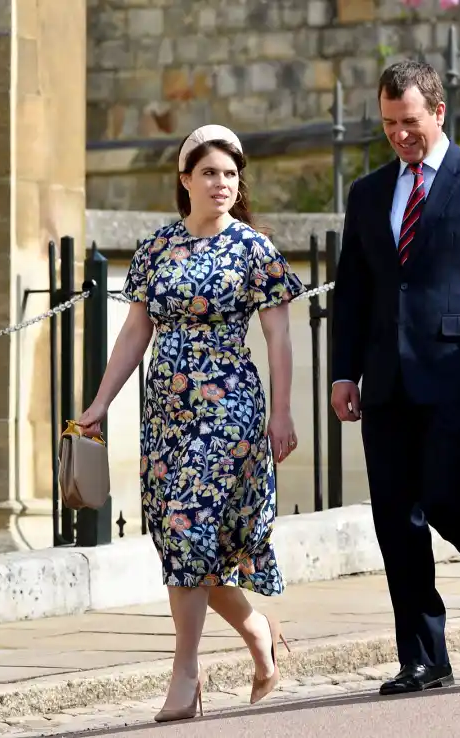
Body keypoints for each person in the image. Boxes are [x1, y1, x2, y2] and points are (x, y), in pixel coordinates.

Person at [76, 124, 307, 719]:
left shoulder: (255, 250)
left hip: (230, 406)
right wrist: (101, 403)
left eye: (231, 174)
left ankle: (185, 676)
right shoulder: (156, 248)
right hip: (167, 410)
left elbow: (279, 337)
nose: (222, 184)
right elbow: (134, 333)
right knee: (182, 540)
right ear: (185, 180)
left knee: (189, 527)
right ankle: (259, 634)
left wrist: (282, 411)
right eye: (209, 172)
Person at [330, 60, 460, 695]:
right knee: (397, 517)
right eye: (390, 123)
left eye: (411, 122)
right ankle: (424, 657)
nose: (400, 135)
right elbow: (355, 289)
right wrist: (344, 372)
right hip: (386, 378)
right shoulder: (368, 193)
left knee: (450, 496)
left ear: (439, 113)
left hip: (458, 371)